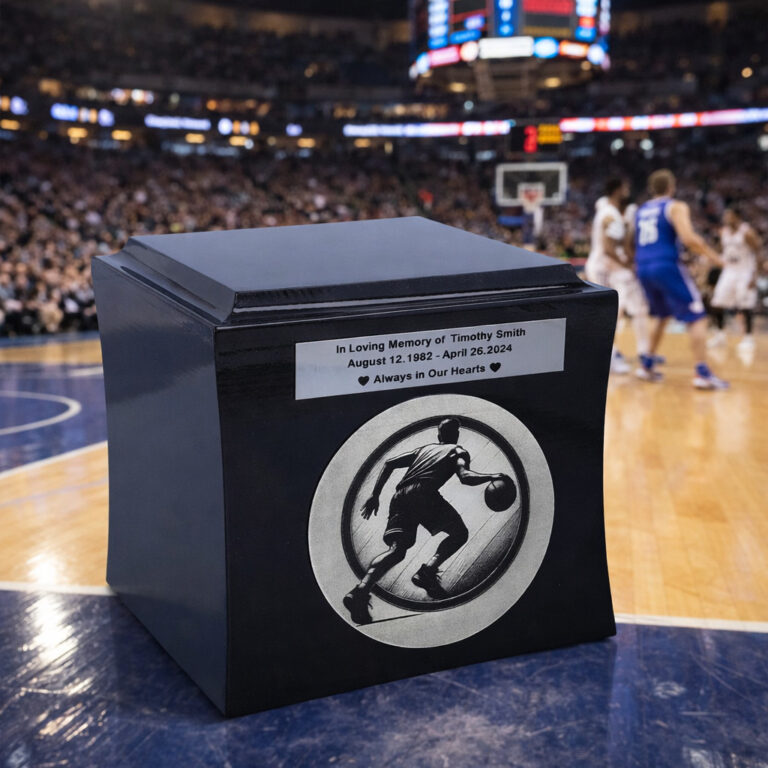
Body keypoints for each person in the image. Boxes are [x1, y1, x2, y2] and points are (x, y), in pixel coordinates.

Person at [343, 418, 505, 625]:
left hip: (400, 495)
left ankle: (360, 590)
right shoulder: (457, 450)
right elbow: (465, 476)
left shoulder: (424, 449)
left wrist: (375, 495)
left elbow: (389, 463)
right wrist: (494, 475)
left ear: (438, 436)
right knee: (459, 533)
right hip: (424, 493)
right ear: (455, 436)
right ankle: (427, 571)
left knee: (397, 549)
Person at [634, 169, 727, 389]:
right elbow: (688, 237)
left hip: (642, 266)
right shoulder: (675, 206)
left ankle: (646, 364)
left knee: (660, 314)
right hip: (665, 264)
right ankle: (702, 373)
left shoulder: (641, 210)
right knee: (698, 316)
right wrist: (715, 258)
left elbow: (633, 239)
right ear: (671, 187)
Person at [584, 179, 651, 377]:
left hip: (608, 267)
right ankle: (609, 358)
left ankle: (622, 354)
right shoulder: (609, 215)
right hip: (602, 267)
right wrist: (627, 265)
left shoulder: (611, 212)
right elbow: (608, 248)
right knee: (606, 314)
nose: (628, 190)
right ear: (617, 190)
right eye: (625, 187)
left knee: (621, 310)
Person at [709, 207, 763, 352]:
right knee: (717, 302)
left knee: (745, 306)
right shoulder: (724, 232)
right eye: (726, 215)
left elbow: (758, 252)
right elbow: (722, 249)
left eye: (729, 216)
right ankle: (720, 335)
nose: (726, 218)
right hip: (729, 270)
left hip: (745, 271)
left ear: (737, 217)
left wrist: (755, 276)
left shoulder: (747, 232)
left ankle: (748, 338)